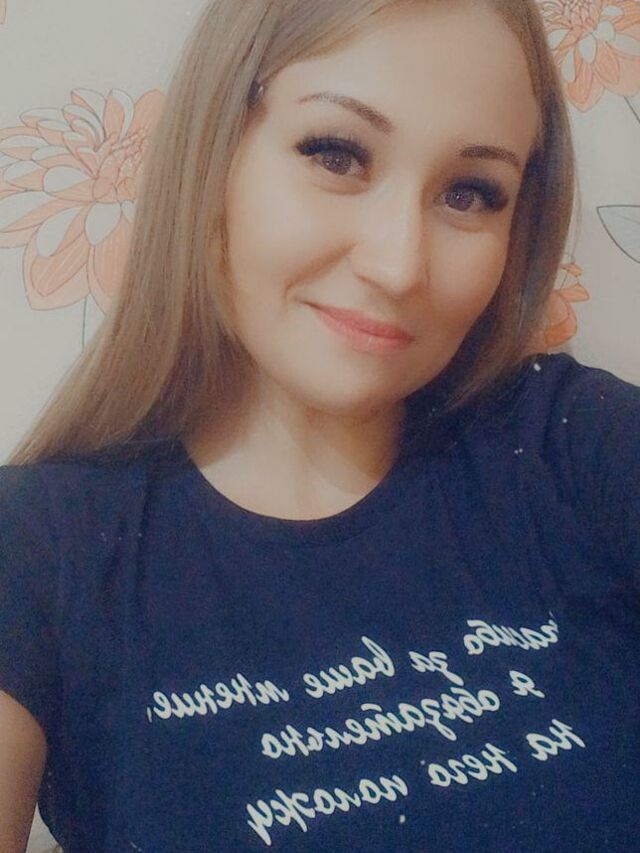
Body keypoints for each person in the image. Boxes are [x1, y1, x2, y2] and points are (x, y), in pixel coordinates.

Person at [1, 0, 638, 850]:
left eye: (470, 193)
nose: (399, 263)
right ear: (214, 156)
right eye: (336, 154)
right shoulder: (40, 546)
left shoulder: (572, 443)